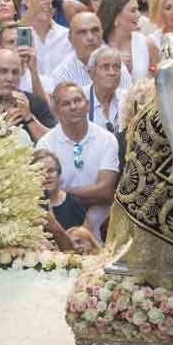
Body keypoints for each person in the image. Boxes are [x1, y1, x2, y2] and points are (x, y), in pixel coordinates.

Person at [35, 82, 121, 239]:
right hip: (61, 232)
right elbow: (46, 194)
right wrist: (88, 195)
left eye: (77, 101)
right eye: (66, 103)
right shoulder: (46, 144)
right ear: (55, 110)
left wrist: (64, 196)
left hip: (103, 231)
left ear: (87, 105)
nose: (73, 107)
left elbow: (106, 191)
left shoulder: (107, 139)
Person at [0, 47, 55, 141]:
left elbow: (52, 143)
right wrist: (2, 126)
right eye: (3, 71)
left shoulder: (36, 103)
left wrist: (29, 118)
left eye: (15, 72)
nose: (10, 78)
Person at [33, 148, 89, 232]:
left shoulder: (74, 202)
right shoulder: (29, 207)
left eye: (51, 171)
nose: (46, 176)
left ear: (59, 173)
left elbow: (88, 240)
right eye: (40, 172)